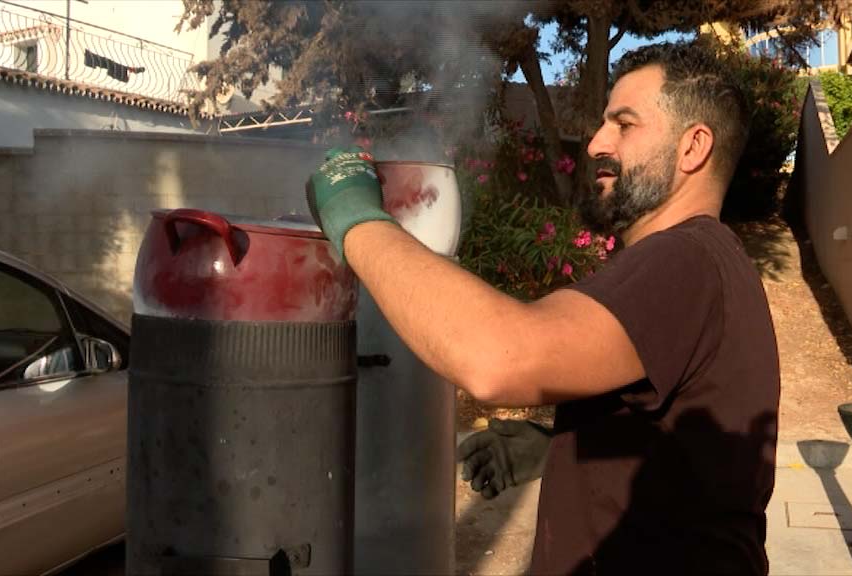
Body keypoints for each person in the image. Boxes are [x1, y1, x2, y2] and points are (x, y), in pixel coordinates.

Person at [307, 41, 780, 575]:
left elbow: (497, 357)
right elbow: (689, 451)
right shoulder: (711, 265)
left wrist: (354, 217)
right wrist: (558, 447)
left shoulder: (685, 259)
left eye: (624, 124)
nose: (597, 142)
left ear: (693, 147)